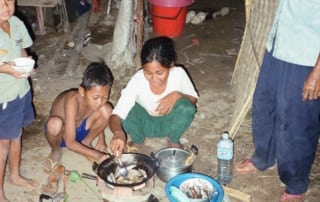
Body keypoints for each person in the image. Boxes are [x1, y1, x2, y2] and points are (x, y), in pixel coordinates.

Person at [235, 0, 320, 201]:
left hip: (307, 55)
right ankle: (264, 157)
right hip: (279, 42)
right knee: (264, 104)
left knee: (297, 122)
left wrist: (318, 71)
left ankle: (296, 184)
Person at [109, 36, 199, 156]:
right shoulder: (138, 80)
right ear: (143, 68)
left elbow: (192, 100)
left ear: (171, 66)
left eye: (160, 73)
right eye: (148, 73)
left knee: (186, 108)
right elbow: (116, 115)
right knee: (129, 110)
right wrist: (118, 133)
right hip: (145, 124)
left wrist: (177, 95)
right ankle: (138, 140)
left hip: (170, 122)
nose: (154, 78)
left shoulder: (178, 74)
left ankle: (174, 140)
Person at [43, 62, 114, 172]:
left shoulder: (95, 101)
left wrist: (101, 139)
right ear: (82, 91)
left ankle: (86, 142)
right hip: (62, 135)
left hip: (81, 129)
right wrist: (97, 155)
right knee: (54, 124)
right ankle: (56, 150)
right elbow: (70, 142)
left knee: (107, 109)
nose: (100, 102)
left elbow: (99, 110)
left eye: (105, 97)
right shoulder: (72, 101)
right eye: (96, 97)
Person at [0, 0, 39, 201]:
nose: (5, 6)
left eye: (8, 1)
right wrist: (4, 68)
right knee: (3, 144)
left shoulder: (16, 23)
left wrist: (28, 63)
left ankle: (14, 175)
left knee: (17, 134)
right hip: (4, 96)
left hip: (21, 91)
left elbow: (23, 50)